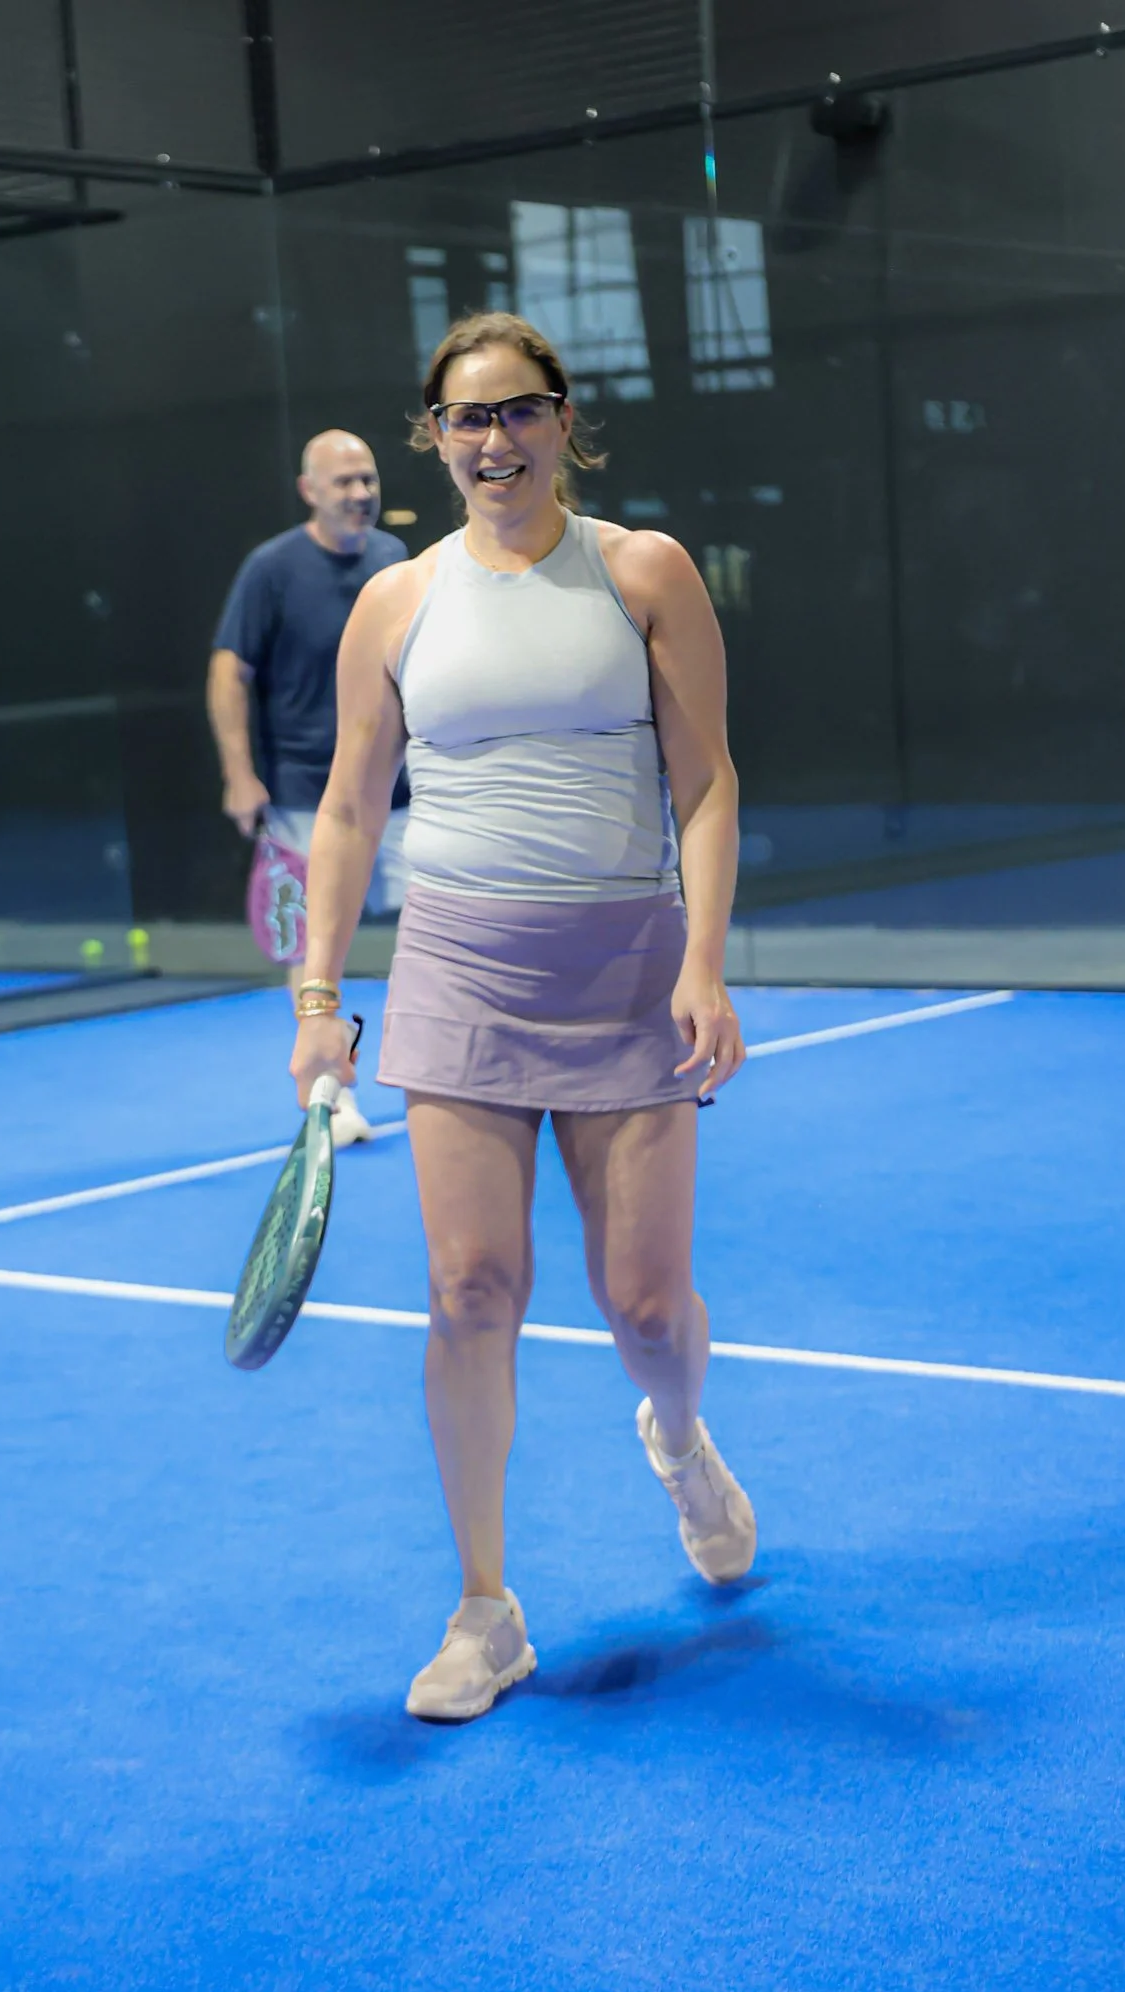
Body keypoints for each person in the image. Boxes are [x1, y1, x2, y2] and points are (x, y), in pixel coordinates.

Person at [289, 313, 755, 1721]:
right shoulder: (396, 601)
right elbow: (352, 808)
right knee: (470, 1290)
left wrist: (704, 961)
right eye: (465, 419)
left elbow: (709, 784)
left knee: (649, 1306)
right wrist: (319, 996)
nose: (493, 441)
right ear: (433, 436)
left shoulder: (643, 572)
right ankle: (485, 1610)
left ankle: (677, 1440)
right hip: (458, 970)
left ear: (563, 423)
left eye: (518, 413)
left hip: (626, 970)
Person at [207, 429, 411, 1145]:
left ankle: (459, 1077)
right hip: (303, 797)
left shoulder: (395, 561)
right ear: (310, 491)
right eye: (342, 482)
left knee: (446, 931)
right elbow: (229, 670)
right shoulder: (270, 570)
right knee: (311, 951)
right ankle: (332, 1096)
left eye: (367, 479)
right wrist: (239, 774)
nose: (359, 494)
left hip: (403, 793)